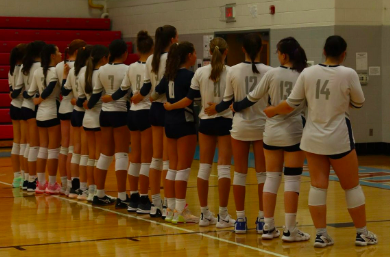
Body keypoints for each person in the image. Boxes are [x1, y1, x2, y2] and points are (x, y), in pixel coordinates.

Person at [264, 35, 378, 247]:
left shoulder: (308, 72)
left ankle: (321, 235)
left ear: (324, 51)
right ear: (344, 54)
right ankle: (362, 233)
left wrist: (271, 110)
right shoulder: (349, 73)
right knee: (352, 187)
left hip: (312, 139)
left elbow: (291, 104)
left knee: (318, 187)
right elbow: (359, 103)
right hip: (339, 139)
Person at [232, 37, 310, 241]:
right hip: (294, 132)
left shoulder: (272, 73)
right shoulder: (304, 74)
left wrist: (235, 106)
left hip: (272, 133)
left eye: (277, 52)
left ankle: (268, 227)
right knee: (292, 180)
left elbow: (251, 97)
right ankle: (290, 230)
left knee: (271, 178)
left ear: (283, 55)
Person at [164, 37, 235, 228]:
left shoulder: (200, 72)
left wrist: (170, 106)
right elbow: (234, 100)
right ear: (225, 52)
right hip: (225, 121)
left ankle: (204, 215)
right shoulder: (232, 72)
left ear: (210, 52)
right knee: (224, 168)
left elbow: (188, 99)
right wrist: (220, 108)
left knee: (204, 167)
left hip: (205, 122)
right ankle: (223, 216)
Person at [204, 33, 272, 234]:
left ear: (242, 49)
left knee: (240, 174)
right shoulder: (270, 71)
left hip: (240, 127)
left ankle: (240, 220)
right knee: (262, 175)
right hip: (262, 127)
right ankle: (262, 219)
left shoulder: (233, 71)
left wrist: (214, 109)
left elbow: (226, 103)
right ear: (261, 49)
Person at [103, 31, 154, 214]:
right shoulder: (152, 65)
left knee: (135, 156)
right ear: (152, 48)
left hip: (132, 114)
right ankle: (143, 198)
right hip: (146, 112)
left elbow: (121, 91)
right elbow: (151, 88)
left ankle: (133, 197)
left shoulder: (131, 67)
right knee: (146, 159)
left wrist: (108, 98)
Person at [131, 25, 178, 218]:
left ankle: (155, 202)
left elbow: (146, 85)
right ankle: (168, 204)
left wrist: (144, 96)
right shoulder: (173, 57)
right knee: (167, 158)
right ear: (172, 39)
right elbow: (165, 83)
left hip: (154, 109)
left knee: (156, 157)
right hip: (168, 108)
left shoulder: (151, 58)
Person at [152, 41, 198, 224]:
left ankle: (170, 209)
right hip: (184, 122)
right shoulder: (189, 76)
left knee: (172, 166)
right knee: (183, 168)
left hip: (169, 124)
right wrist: (172, 105)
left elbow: (154, 95)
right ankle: (180, 210)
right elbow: (189, 100)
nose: (195, 56)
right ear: (188, 55)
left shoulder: (169, 74)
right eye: (194, 53)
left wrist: (166, 104)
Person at [87, 39, 129, 207]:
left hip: (104, 114)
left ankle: (99, 194)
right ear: (125, 53)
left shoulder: (102, 70)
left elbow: (96, 95)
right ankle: (122, 197)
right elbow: (128, 91)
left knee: (105, 154)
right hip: (120, 113)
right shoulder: (128, 69)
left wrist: (86, 105)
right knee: (122, 154)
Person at [24, 44, 62, 194]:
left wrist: (35, 99)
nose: (60, 54)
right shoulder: (55, 71)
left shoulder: (38, 71)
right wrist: (41, 98)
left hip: (40, 114)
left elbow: (29, 92)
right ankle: (51, 184)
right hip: (52, 112)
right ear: (52, 55)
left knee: (42, 148)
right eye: (58, 51)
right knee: (53, 150)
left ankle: (40, 184)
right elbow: (51, 88)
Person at [12, 41, 46, 192]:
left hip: (23, 106)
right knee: (34, 145)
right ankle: (32, 180)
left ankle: (26, 178)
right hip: (33, 107)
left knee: (26, 144)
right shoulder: (39, 68)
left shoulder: (24, 67)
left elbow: (17, 90)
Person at [78, 45, 109, 202]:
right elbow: (95, 98)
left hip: (87, 118)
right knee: (98, 156)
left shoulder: (84, 73)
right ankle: (98, 191)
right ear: (103, 58)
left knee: (91, 156)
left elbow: (81, 99)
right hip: (97, 116)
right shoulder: (101, 74)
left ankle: (91, 191)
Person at [61, 46, 92, 199]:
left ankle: (74, 187)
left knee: (75, 150)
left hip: (75, 112)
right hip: (85, 111)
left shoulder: (73, 71)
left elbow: (65, 91)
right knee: (84, 152)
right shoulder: (87, 71)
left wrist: (65, 77)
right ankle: (84, 189)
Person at [57, 39, 87, 195]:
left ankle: (66, 184)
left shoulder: (61, 66)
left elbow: (62, 90)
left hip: (65, 107)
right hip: (76, 107)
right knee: (75, 149)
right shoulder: (83, 68)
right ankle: (75, 184)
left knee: (66, 148)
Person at [8, 44, 27, 188]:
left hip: (14, 105)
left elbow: (11, 90)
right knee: (25, 142)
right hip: (23, 106)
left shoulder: (11, 69)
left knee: (17, 141)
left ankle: (17, 177)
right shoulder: (24, 69)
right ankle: (26, 177)